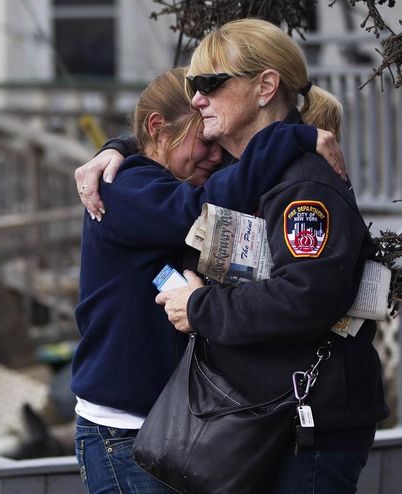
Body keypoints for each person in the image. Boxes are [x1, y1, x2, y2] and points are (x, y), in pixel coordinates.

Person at [71, 66, 344, 494]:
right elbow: (198, 206)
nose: (216, 157)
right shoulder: (121, 190)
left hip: (183, 424)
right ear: (158, 128)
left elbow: (233, 167)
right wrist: (293, 136)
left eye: (217, 144)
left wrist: (118, 144)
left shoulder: (174, 176)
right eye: (204, 141)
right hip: (122, 432)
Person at [154, 19, 389, 494]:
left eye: (209, 84)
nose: (197, 99)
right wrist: (113, 152)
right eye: (191, 86)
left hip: (303, 432)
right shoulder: (251, 173)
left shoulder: (302, 183)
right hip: (262, 419)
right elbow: (152, 143)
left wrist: (198, 308)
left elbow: (305, 297)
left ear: (265, 86)